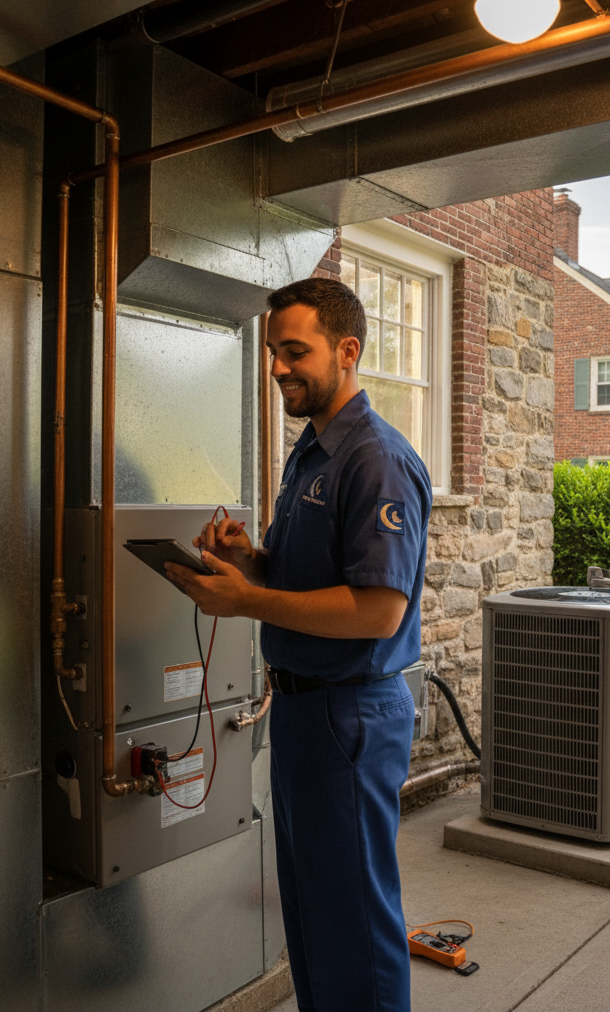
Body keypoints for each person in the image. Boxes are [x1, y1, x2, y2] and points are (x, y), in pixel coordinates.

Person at [167, 278, 431, 1011]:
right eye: (274, 352)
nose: (279, 367)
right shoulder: (311, 452)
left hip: (350, 714)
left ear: (347, 352)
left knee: (354, 918)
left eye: (295, 351)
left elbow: (378, 610)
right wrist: (250, 560)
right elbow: (310, 575)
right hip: (304, 712)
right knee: (314, 912)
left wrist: (247, 599)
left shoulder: (375, 459)